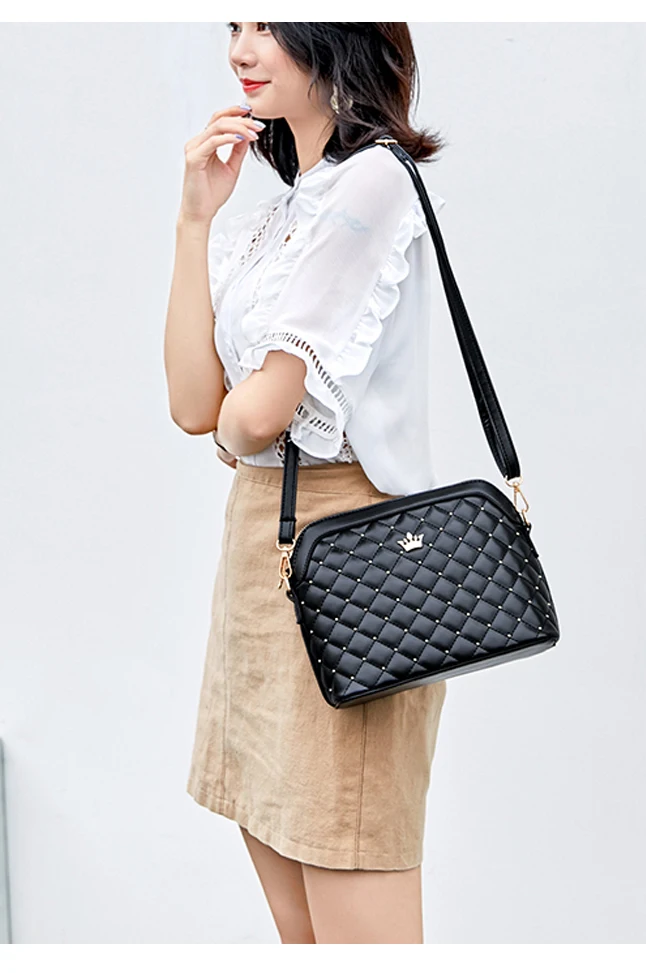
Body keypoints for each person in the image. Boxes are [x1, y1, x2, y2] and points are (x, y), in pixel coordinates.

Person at [164, 21, 448, 945]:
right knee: (304, 926)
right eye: (235, 26)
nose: (241, 50)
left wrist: (241, 417)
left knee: (354, 884)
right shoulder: (287, 210)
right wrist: (195, 219)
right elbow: (195, 403)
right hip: (263, 546)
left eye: (269, 26)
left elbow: (255, 417)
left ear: (332, 33)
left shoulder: (373, 183)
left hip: (356, 557)